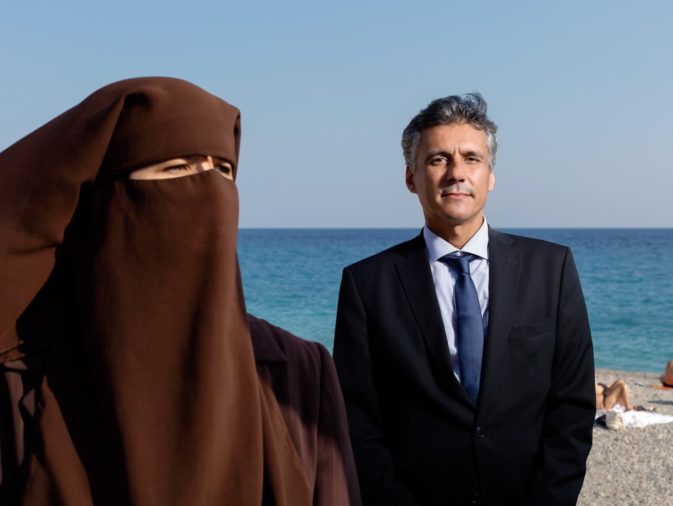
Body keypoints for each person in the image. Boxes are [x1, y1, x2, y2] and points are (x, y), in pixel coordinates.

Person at [0, 77, 358, 505]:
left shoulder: (301, 371)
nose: (210, 192)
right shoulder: (22, 381)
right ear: (108, 203)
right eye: (177, 170)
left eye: (223, 171)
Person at [333, 93, 595, 505]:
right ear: (410, 177)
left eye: (471, 159)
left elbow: (572, 406)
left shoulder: (552, 268)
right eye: (438, 159)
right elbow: (358, 421)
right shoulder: (367, 285)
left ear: (490, 175)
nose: (457, 173)